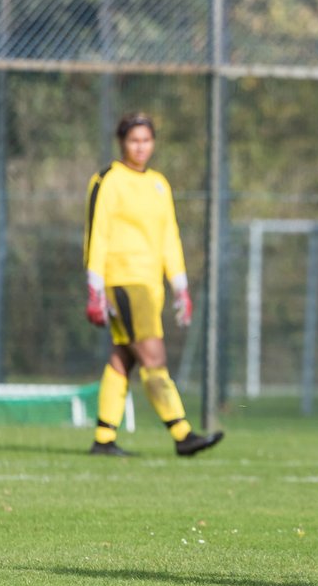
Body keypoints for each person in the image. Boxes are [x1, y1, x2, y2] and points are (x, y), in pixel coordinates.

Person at [82, 112, 223, 457]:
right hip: (122, 281)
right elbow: (96, 232)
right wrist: (94, 287)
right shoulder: (108, 180)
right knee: (152, 356)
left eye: (146, 140)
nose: (140, 147)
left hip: (151, 286)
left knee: (123, 359)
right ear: (122, 143)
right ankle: (182, 433)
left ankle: (104, 438)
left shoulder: (159, 183)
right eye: (134, 140)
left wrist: (180, 286)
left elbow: (169, 237)